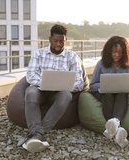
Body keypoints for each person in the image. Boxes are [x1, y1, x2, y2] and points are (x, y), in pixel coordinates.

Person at [21, 24, 84, 153]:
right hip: (40, 89)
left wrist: (64, 85)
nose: (59, 44)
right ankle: (38, 134)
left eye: (62, 41)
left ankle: (37, 134)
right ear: (50, 39)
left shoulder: (72, 57)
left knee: (66, 96)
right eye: (56, 40)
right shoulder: (38, 54)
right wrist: (44, 83)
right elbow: (30, 76)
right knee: (30, 92)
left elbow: (79, 82)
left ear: (66, 40)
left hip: (60, 92)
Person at [89, 36, 129, 148]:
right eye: (114, 52)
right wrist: (105, 85)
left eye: (120, 52)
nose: (116, 55)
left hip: (121, 94)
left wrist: (124, 85)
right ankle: (117, 127)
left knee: (122, 95)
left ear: (124, 53)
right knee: (109, 95)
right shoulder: (101, 64)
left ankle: (114, 126)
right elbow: (92, 85)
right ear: (108, 51)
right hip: (103, 93)